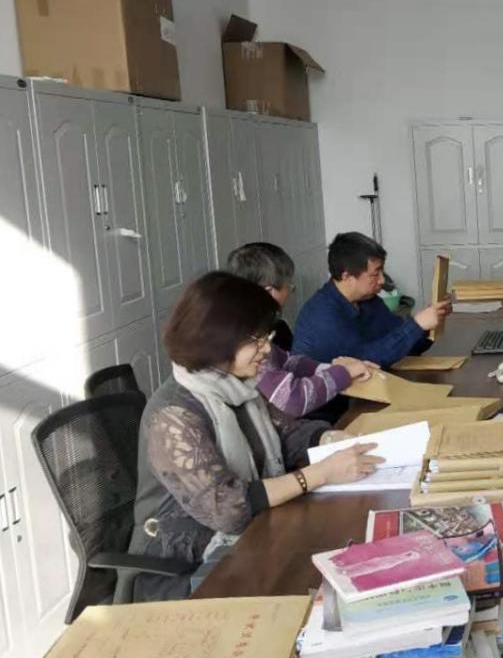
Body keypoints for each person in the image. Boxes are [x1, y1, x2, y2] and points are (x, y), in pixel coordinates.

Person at [130, 272, 384, 601]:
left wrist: (332, 439)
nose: (266, 349)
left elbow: (288, 434)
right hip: (190, 564)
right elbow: (226, 508)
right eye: (256, 340)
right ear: (218, 340)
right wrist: (318, 474)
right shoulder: (174, 415)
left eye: (267, 337)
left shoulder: (238, 385)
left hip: (254, 535)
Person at [227, 242, 378, 418]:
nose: (290, 292)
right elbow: (293, 399)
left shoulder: (254, 328)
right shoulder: (246, 343)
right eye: (288, 286)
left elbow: (288, 362)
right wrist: (344, 373)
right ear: (269, 293)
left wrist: (334, 368)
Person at [293, 232, 451, 368]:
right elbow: (365, 362)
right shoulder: (322, 316)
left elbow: (401, 346)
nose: (382, 280)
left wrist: (430, 324)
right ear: (347, 276)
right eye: (375, 274)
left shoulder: (368, 300)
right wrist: (416, 325)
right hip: (335, 394)